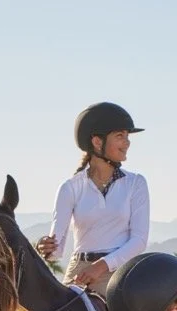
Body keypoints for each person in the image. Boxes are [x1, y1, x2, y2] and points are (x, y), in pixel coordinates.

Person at [36, 101, 150, 297]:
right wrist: (45, 246)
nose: (127, 142)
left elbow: (139, 240)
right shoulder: (69, 188)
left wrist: (100, 267)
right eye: (120, 136)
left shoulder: (136, 184)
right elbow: (56, 251)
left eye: (127, 136)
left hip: (119, 273)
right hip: (80, 271)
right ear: (97, 142)